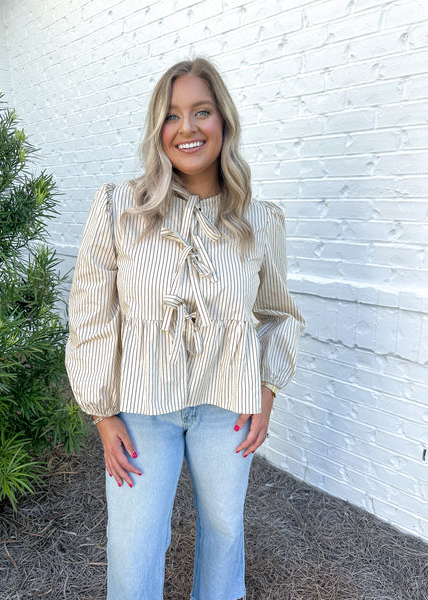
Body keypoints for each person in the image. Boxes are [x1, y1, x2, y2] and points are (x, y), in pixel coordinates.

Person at [65, 57, 305, 600]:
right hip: (142, 406)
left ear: (224, 121)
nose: (187, 128)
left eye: (202, 111)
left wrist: (266, 391)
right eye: (172, 116)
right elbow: (91, 313)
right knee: (135, 543)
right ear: (158, 129)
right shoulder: (118, 206)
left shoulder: (259, 219)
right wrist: (102, 413)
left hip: (229, 407)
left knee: (223, 532)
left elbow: (278, 313)